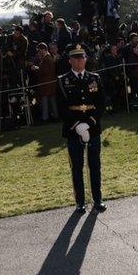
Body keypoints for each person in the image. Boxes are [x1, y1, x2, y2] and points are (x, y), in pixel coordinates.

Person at [56, 45, 106, 213]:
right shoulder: (63, 80)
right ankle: (80, 202)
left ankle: (97, 200)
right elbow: (61, 108)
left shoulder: (95, 78)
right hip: (73, 129)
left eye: (82, 57)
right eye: (76, 58)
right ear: (70, 60)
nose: (79, 61)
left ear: (86, 59)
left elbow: (101, 104)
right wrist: (78, 126)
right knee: (76, 167)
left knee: (95, 165)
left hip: (92, 128)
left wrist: (89, 123)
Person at [35, 43, 59, 122]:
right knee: (52, 101)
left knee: (45, 101)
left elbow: (44, 71)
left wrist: (36, 68)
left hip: (46, 84)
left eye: (39, 50)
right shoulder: (48, 58)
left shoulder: (46, 59)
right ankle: (55, 116)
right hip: (50, 83)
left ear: (43, 50)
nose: (39, 52)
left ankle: (45, 118)